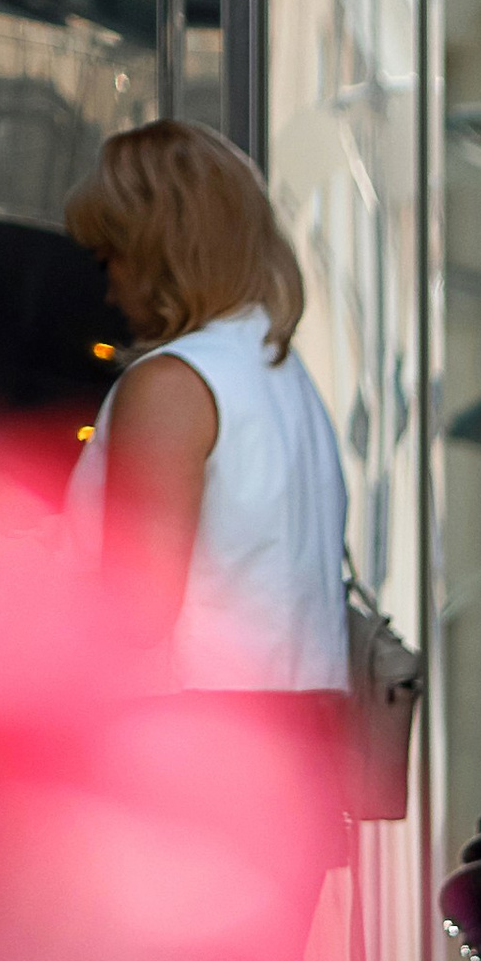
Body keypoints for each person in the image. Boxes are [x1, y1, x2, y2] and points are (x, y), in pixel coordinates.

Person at [64, 122, 348, 730]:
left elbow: (134, 611)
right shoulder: (285, 379)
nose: (108, 289)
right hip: (299, 756)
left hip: (186, 750)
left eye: (108, 256)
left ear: (157, 249)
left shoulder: (172, 384)